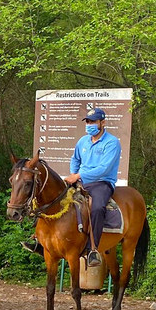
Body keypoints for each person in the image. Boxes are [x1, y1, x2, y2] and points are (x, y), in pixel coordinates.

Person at [64, 107, 121, 267]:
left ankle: (92, 250)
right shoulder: (83, 141)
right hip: (81, 181)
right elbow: (75, 159)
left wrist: (79, 176)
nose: (89, 125)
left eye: (93, 121)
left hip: (102, 182)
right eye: (88, 122)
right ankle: (41, 241)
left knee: (96, 208)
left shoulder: (112, 143)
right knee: (55, 199)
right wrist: (73, 174)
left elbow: (103, 169)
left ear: (102, 122)